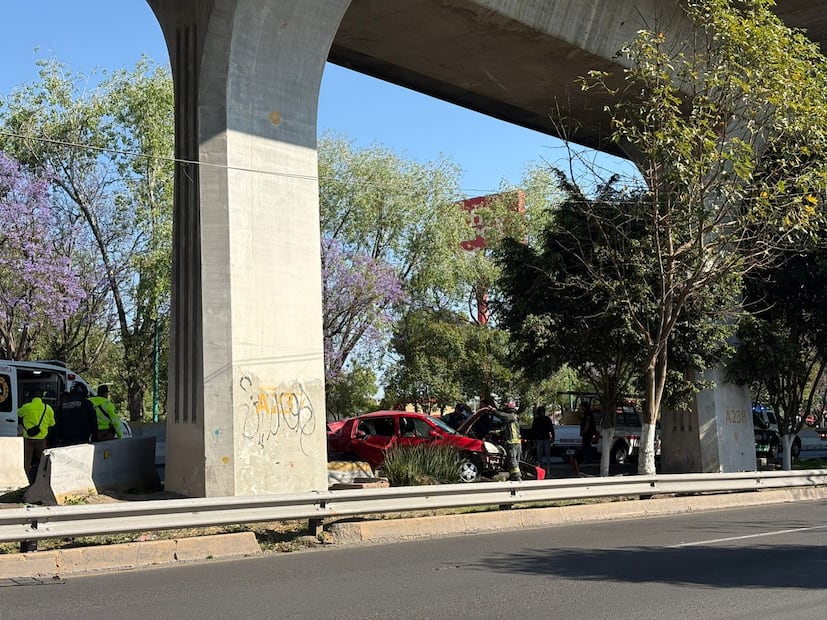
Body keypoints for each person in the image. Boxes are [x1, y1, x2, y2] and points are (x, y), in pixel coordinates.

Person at [17, 395, 56, 482]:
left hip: (28, 438)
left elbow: (18, 413)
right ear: (41, 399)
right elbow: (52, 423)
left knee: (27, 460)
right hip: (41, 439)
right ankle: (41, 479)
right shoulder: (48, 408)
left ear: (32, 399)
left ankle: (25, 480)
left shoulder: (27, 406)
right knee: (42, 460)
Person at [500, 404, 523, 481]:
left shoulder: (510, 416)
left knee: (512, 460)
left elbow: (501, 415)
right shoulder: (512, 419)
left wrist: (493, 411)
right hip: (517, 443)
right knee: (515, 461)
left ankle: (517, 476)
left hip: (512, 443)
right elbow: (504, 430)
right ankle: (514, 476)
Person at [531, 405, 554, 474]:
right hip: (539, 438)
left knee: (547, 453)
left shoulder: (547, 419)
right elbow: (533, 430)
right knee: (539, 453)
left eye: (543, 411)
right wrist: (534, 438)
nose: (542, 413)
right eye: (541, 412)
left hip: (545, 438)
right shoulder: (537, 420)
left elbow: (551, 429)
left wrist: (552, 437)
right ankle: (540, 466)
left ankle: (548, 466)